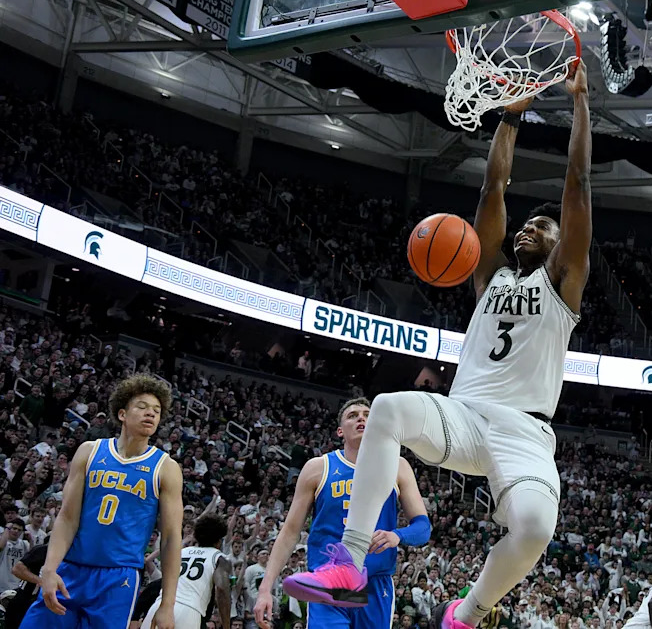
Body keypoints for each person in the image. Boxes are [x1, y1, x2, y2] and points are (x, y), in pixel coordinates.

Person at [296, 63, 593, 629]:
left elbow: (577, 184)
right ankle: (348, 566)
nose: (532, 227)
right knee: (386, 407)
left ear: (562, 246)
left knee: (534, 529)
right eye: (527, 225)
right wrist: (510, 115)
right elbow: (493, 188)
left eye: (544, 227)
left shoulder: (564, 284)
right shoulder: (490, 276)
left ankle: (469, 610)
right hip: (464, 415)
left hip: (526, 433)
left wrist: (579, 103)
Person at [20, 374, 184, 629]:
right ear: (122, 414)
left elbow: (172, 538)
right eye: (142, 407)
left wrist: (167, 604)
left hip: (118, 579)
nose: (150, 414)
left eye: (157, 410)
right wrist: (50, 569)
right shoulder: (89, 451)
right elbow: (67, 517)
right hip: (71, 568)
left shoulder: (166, 468)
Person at [253, 397, 431, 629]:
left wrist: (397, 535)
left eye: (368, 415)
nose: (361, 418)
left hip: (374, 584)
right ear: (340, 431)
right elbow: (289, 532)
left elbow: (423, 527)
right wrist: (265, 588)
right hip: (329, 582)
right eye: (353, 415)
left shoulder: (397, 465)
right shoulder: (318, 468)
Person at [141, 514, 232, 628]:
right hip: (189, 611)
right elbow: (222, 589)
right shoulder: (220, 559)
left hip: (160, 606)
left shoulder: (181, 551)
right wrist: (227, 626)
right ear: (219, 541)